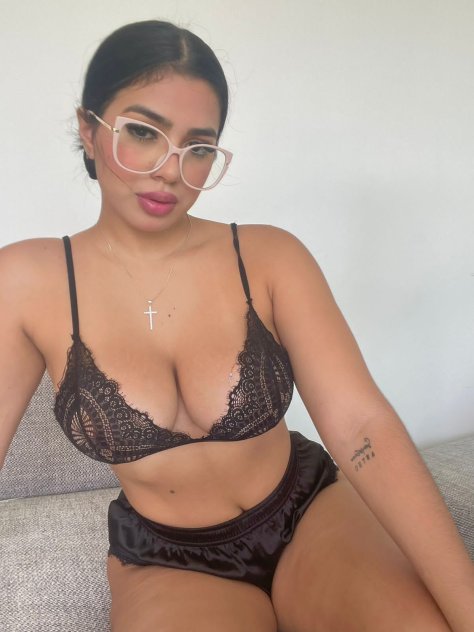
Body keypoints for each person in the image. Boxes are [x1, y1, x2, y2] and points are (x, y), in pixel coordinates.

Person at [0, 19, 472, 632]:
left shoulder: (270, 257)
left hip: (307, 513)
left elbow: (361, 425)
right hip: (168, 560)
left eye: (198, 147)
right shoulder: (25, 281)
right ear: (88, 130)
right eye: (142, 132)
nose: (170, 171)